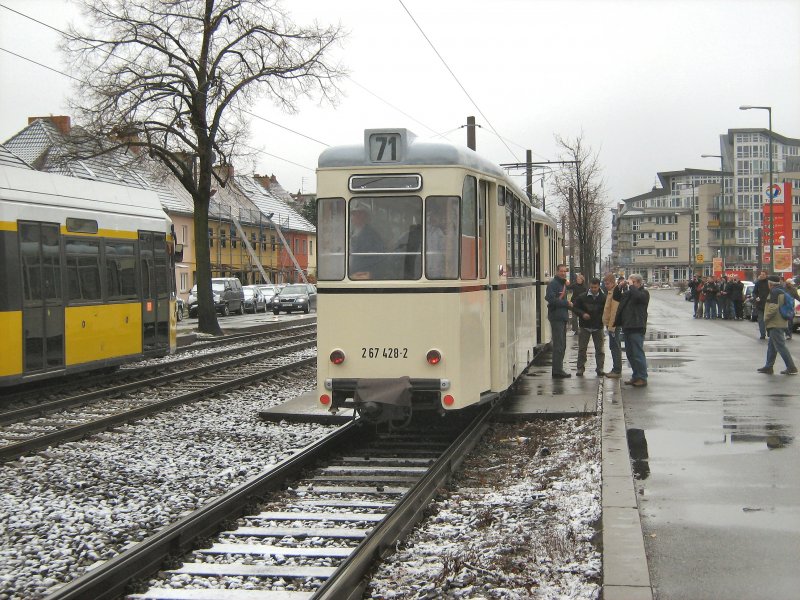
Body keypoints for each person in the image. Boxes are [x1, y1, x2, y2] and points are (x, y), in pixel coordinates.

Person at [756, 275, 798, 375]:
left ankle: (791, 367)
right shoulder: (782, 290)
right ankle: (768, 366)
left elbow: (773, 307)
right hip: (780, 321)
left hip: (775, 323)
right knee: (772, 346)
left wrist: (766, 318)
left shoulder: (774, 292)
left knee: (780, 346)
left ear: (770, 283)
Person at [615, 273, 650, 387]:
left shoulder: (644, 293)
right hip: (627, 326)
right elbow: (617, 297)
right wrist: (619, 287)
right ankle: (635, 376)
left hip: (637, 326)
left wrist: (632, 287)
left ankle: (642, 377)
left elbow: (638, 297)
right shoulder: (629, 293)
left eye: (633, 282)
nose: (631, 285)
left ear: (639, 283)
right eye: (630, 282)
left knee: (637, 353)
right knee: (630, 354)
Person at [573, 277, 606, 376]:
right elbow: (575, 308)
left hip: (598, 326)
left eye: (595, 287)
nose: (593, 289)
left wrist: (602, 320)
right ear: (589, 286)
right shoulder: (582, 297)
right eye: (592, 287)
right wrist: (582, 314)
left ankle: (600, 368)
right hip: (585, 326)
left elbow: (606, 310)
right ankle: (580, 368)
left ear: (598, 286)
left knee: (599, 349)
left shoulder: (603, 298)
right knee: (582, 349)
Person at [546, 264, 573, 378]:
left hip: (562, 317)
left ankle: (559, 368)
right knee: (559, 345)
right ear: (557, 272)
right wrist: (566, 303)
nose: (563, 273)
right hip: (556, 317)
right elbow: (551, 299)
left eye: (564, 271)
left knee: (562, 345)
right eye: (561, 271)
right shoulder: (553, 284)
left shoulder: (562, 284)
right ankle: (557, 370)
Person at [349, 200, 385, 279]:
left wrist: (371, 273)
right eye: (354, 214)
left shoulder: (372, 235)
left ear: (365, 217)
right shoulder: (351, 232)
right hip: (352, 274)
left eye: (359, 214)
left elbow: (379, 257)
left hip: (363, 275)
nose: (355, 217)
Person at [602, 274, 623, 378]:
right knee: (614, 346)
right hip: (611, 324)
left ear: (613, 282)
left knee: (615, 347)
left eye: (607, 283)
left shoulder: (615, 293)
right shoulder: (611, 292)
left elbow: (614, 311)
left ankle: (617, 370)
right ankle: (616, 369)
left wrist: (612, 327)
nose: (606, 285)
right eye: (605, 283)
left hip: (613, 325)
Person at [752, 270, 770, 339]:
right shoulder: (758, 283)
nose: (762, 275)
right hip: (760, 304)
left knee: (768, 319)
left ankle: (769, 332)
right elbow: (754, 292)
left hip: (768, 304)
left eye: (763, 274)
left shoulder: (769, 283)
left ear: (766, 275)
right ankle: (762, 334)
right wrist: (756, 297)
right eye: (761, 274)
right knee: (761, 320)